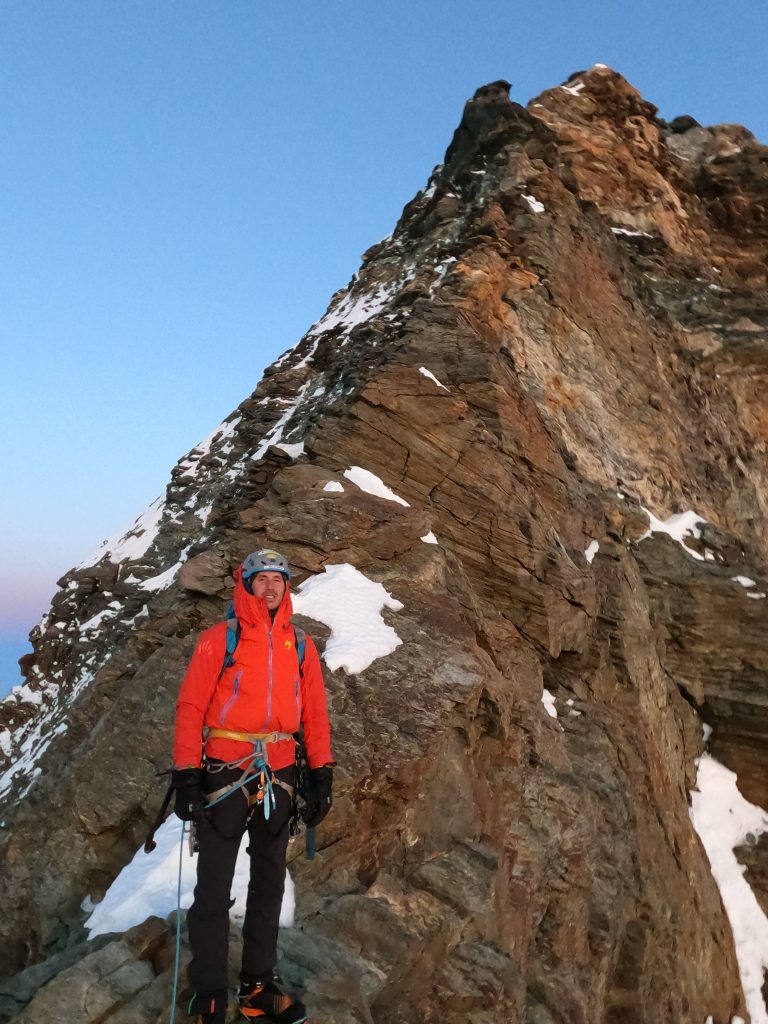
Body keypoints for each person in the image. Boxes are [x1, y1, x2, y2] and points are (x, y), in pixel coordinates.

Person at [171, 549, 334, 1024]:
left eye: (277, 580)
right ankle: (209, 992)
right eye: (260, 579)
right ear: (244, 585)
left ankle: (257, 986)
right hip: (226, 769)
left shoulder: (300, 646)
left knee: (269, 882)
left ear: (287, 589)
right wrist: (186, 775)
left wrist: (320, 772)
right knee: (214, 885)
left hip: (280, 773)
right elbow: (190, 708)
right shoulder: (216, 641)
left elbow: (315, 715)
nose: (269, 587)